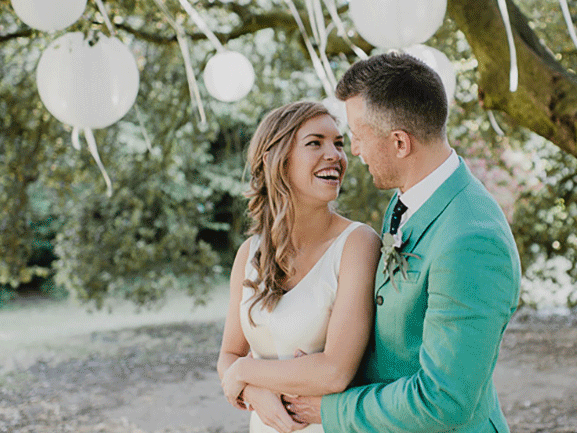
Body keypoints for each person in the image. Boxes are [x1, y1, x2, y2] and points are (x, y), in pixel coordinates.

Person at [284, 52, 523, 432]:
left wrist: (330, 410)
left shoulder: (472, 241)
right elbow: (399, 340)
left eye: (358, 137)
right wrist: (319, 367)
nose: (355, 150)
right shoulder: (407, 199)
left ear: (399, 143)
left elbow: (442, 402)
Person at [217, 101, 382, 433]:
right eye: (315, 142)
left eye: (338, 143)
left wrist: (244, 374)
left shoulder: (358, 244)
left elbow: (334, 371)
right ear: (276, 160)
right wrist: (253, 393)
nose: (336, 154)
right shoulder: (249, 253)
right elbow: (229, 355)